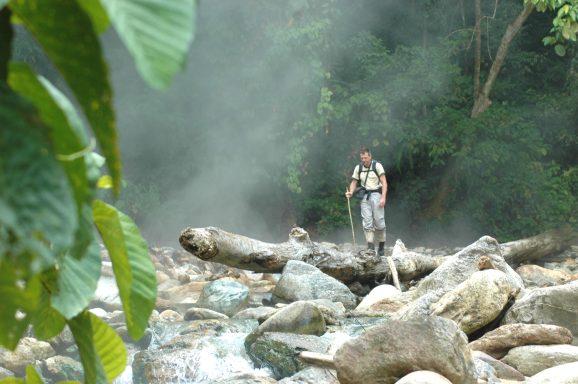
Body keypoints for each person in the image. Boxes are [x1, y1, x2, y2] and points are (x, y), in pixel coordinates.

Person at [345, 147, 388, 255]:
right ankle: (370, 247)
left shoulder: (377, 166)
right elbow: (354, 182)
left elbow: (384, 182)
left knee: (379, 222)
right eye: (362, 158)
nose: (363, 160)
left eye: (365, 157)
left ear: (370, 156)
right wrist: (350, 192)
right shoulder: (358, 167)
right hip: (365, 195)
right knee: (367, 222)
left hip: (376, 194)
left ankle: (381, 247)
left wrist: (383, 197)